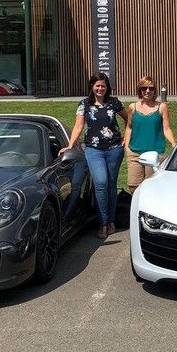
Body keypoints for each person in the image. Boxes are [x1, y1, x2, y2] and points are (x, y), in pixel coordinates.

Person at [61, 72, 129, 239]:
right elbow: (78, 126)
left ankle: (111, 221)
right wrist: (70, 145)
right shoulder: (84, 104)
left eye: (103, 86)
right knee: (100, 183)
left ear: (107, 87)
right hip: (93, 150)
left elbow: (129, 119)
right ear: (92, 86)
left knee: (111, 184)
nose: (100, 88)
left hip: (114, 149)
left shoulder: (114, 102)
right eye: (97, 85)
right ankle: (102, 222)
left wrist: (125, 139)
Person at [124, 76, 176, 194]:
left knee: (152, 187)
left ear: (155, 90)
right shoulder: (132, 107)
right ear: (140, 90)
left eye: (151, 88)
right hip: (135, 153)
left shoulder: (162, 107)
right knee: (133, 186)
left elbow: (166, 128)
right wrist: (127, 147)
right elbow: (129, 127)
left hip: (154, 154)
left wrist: (173, 143)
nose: (147, 91)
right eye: (144, 88)